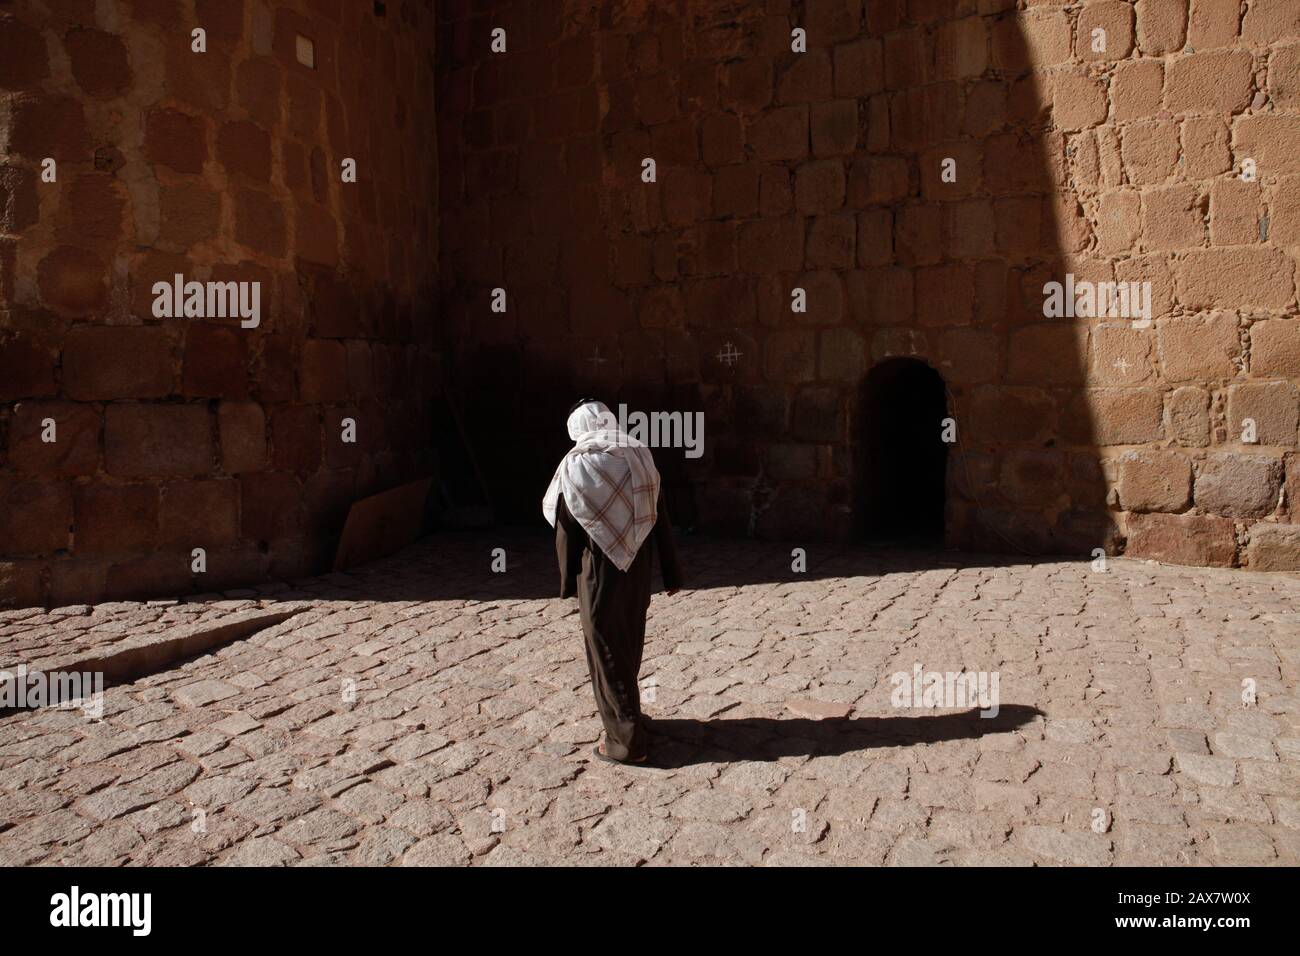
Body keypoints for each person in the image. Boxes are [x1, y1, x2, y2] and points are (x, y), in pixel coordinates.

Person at [543, 399, 684, 765]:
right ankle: (631, 717)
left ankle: (626, 741)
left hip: (598, 572)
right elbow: (661, 516)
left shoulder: (577, 465)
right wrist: (671, 574)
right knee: (627, 642)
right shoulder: (639, 455)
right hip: (637, 569)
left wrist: (567, 580)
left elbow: (566, 527)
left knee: (605, 649)